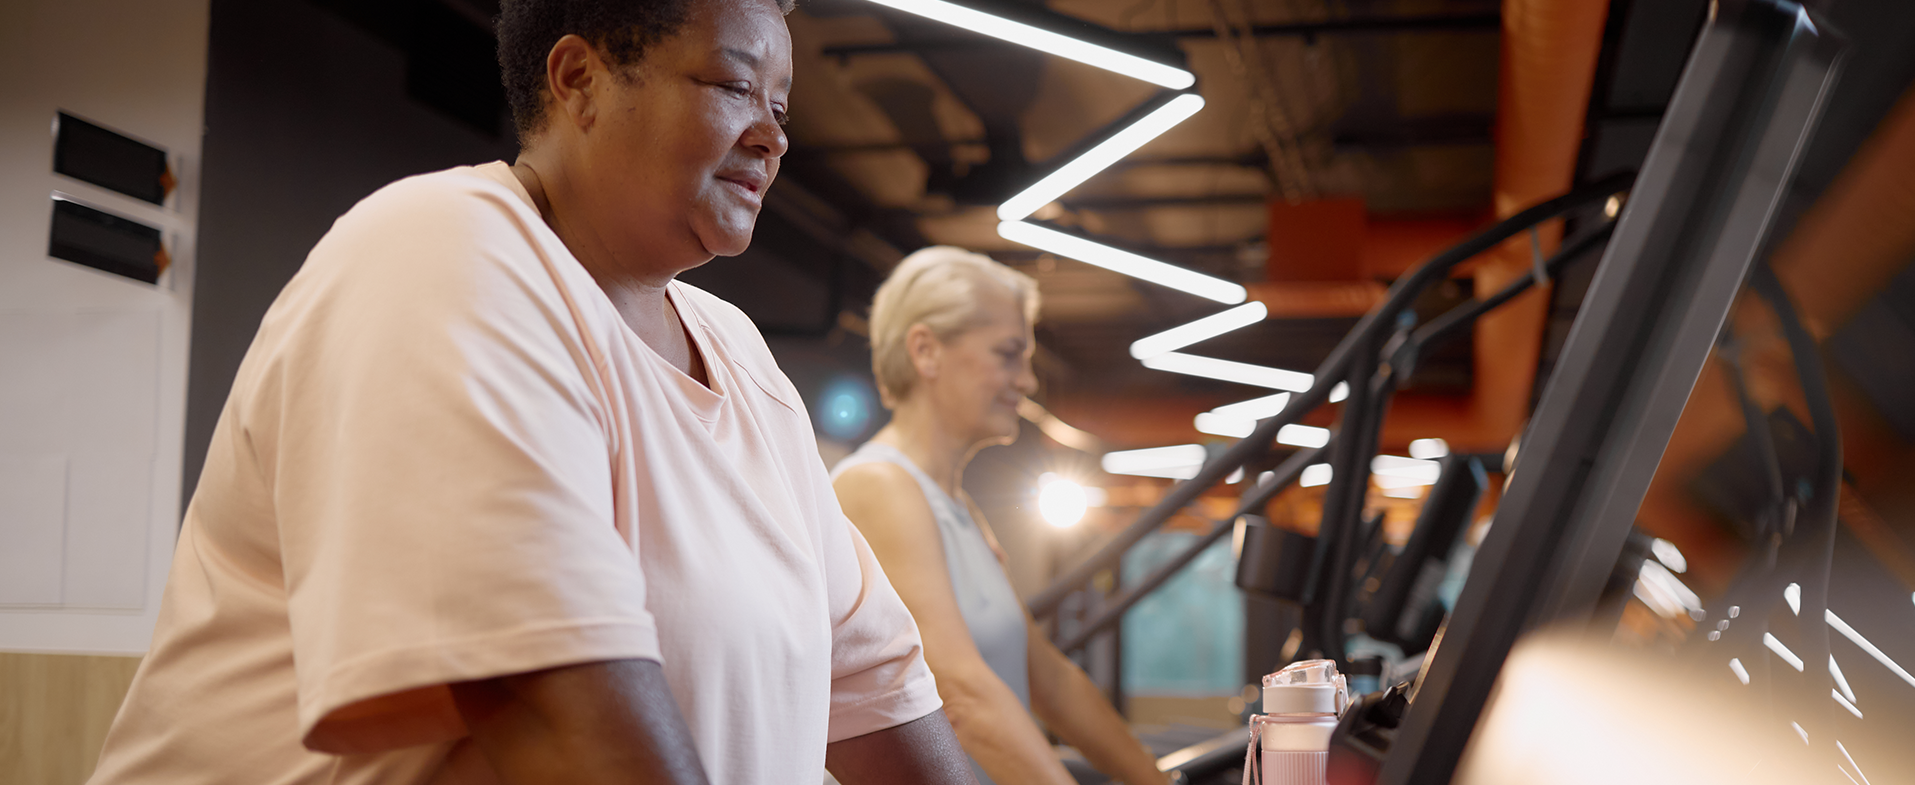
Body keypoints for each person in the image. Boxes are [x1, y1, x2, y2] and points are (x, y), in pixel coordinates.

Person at [87, 1, 976, 783]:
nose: (773, 135)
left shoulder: (741, 358)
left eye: (780, 109)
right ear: (579, 78)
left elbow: (877, 695)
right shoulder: (441, 254)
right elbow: (553, 707)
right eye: (733, 87)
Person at [830, 248, 1170, 785]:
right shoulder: (877, 487)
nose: (1029, 381)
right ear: (926, 351)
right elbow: (960, 696)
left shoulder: (957, 508)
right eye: (1008, 354)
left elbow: (1049, 680)